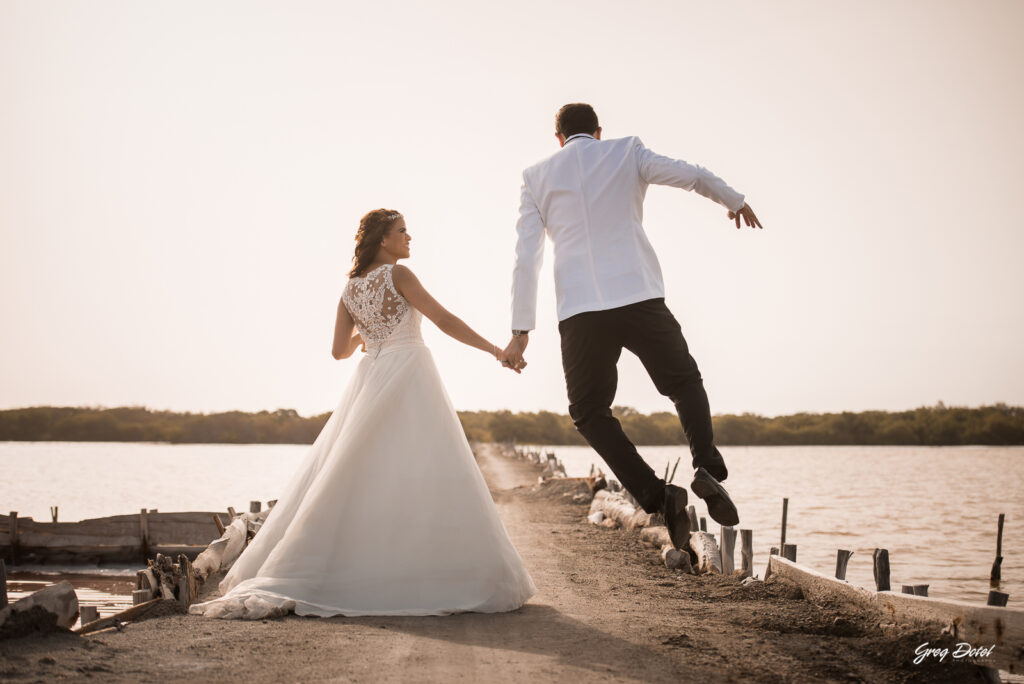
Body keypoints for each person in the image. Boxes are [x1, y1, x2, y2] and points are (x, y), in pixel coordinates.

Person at [189, 209, 537, 619]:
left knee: (361, 471)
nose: (410, 237)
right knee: (424, 467)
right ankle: (426, 571)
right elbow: (442, 319)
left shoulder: (349, 289)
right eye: (402, 231)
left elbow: (339, 351)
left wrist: (369, 331)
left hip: (372, 376)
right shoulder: (399, 276)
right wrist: (497, 351)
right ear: (382, 240)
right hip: (409, 372)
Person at [502, 103, 762, 549]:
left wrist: (521, 330)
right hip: (638, 295)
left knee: (588, 412)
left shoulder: (536, 176)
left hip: (581, 310)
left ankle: (658, 496)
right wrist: (733, 200)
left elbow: (527, 256)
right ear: (598, 132)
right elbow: (691, 173)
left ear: (559, 139)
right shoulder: (627, 151)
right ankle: (705, 464)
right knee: (683, 381)